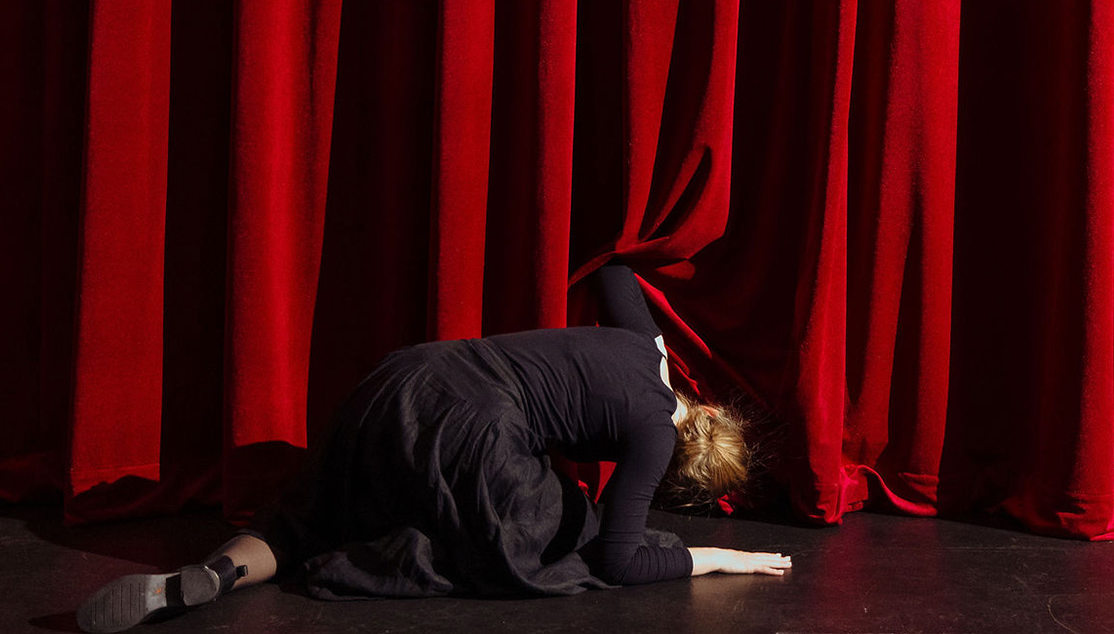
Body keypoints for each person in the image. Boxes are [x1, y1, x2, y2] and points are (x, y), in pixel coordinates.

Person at [76, 265, 791, 633]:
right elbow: (622, 560)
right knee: (551, 541)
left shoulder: (650, 354)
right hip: (475, 423)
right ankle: (367, 557)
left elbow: (616, 275)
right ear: (684, 462)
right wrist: (717, 558)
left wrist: (660, 341)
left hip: (402, 376)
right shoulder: (649, 437)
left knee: (302, 511)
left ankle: (215, 573)